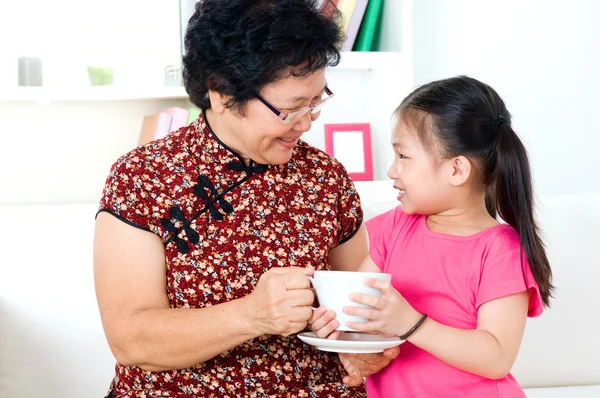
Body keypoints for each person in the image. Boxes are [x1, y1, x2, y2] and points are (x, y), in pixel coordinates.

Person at [93, 0, 398, 397]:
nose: (306, 123)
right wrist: (252, 315)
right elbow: (130, 339)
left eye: (316, 102)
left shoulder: (325, 178)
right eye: (289, 110)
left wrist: (361, 348)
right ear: (220, 93)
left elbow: (357, 305)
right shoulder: (144, 177)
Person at [310, 75, 554, 397]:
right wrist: (333, 327)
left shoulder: (499, 250)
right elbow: (356, 307)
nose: (392, 171)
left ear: (456, 170)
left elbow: (496, 358)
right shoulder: (397, 227)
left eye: (403, 157)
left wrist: (411, 323)